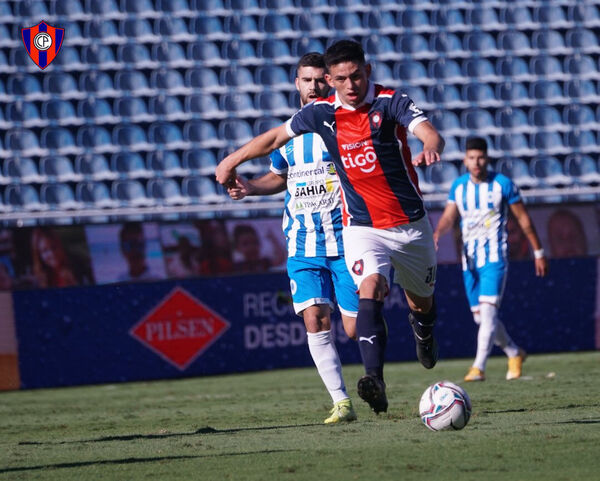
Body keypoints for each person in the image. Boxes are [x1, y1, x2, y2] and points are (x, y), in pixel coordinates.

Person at [217, 40, 445, 414]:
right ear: (330, 79)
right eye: (341, 78)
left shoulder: (391, 102)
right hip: (358, 227)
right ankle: (370, 384)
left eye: (356, 76)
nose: (350, 84)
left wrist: (431, 146)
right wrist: (232, 160)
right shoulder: (320, 116)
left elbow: (427, 130)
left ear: (367, 71)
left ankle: (423, 327)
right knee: (365, 289)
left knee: (417, 304)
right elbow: (275, 140)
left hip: (408, 223)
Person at [226, 52, 360, 423]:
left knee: (353, 328)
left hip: (346, 241)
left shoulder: (344, 126)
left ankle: (373, 373)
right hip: (302, 245)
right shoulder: (286, 135)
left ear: (330, 82)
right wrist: (250, 187)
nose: (315, 86)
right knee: (314, 319)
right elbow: (280, 177)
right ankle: (341, 402)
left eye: (321, 79)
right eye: (308, 80)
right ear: (297, 84)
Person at [433, 137, 549, 382]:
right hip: (470, 262)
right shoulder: (459, 187)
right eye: (472, 158)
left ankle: (479, 367)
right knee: (481, 317)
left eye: (481, 157)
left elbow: (524, 220)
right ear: (465, 160)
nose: (477, 162)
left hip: (495, 259)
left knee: (487, 314)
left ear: (487, 158)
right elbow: (448, 218)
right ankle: (514, 352)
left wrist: (538, 252)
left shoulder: (502, 184)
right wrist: (437, 233)